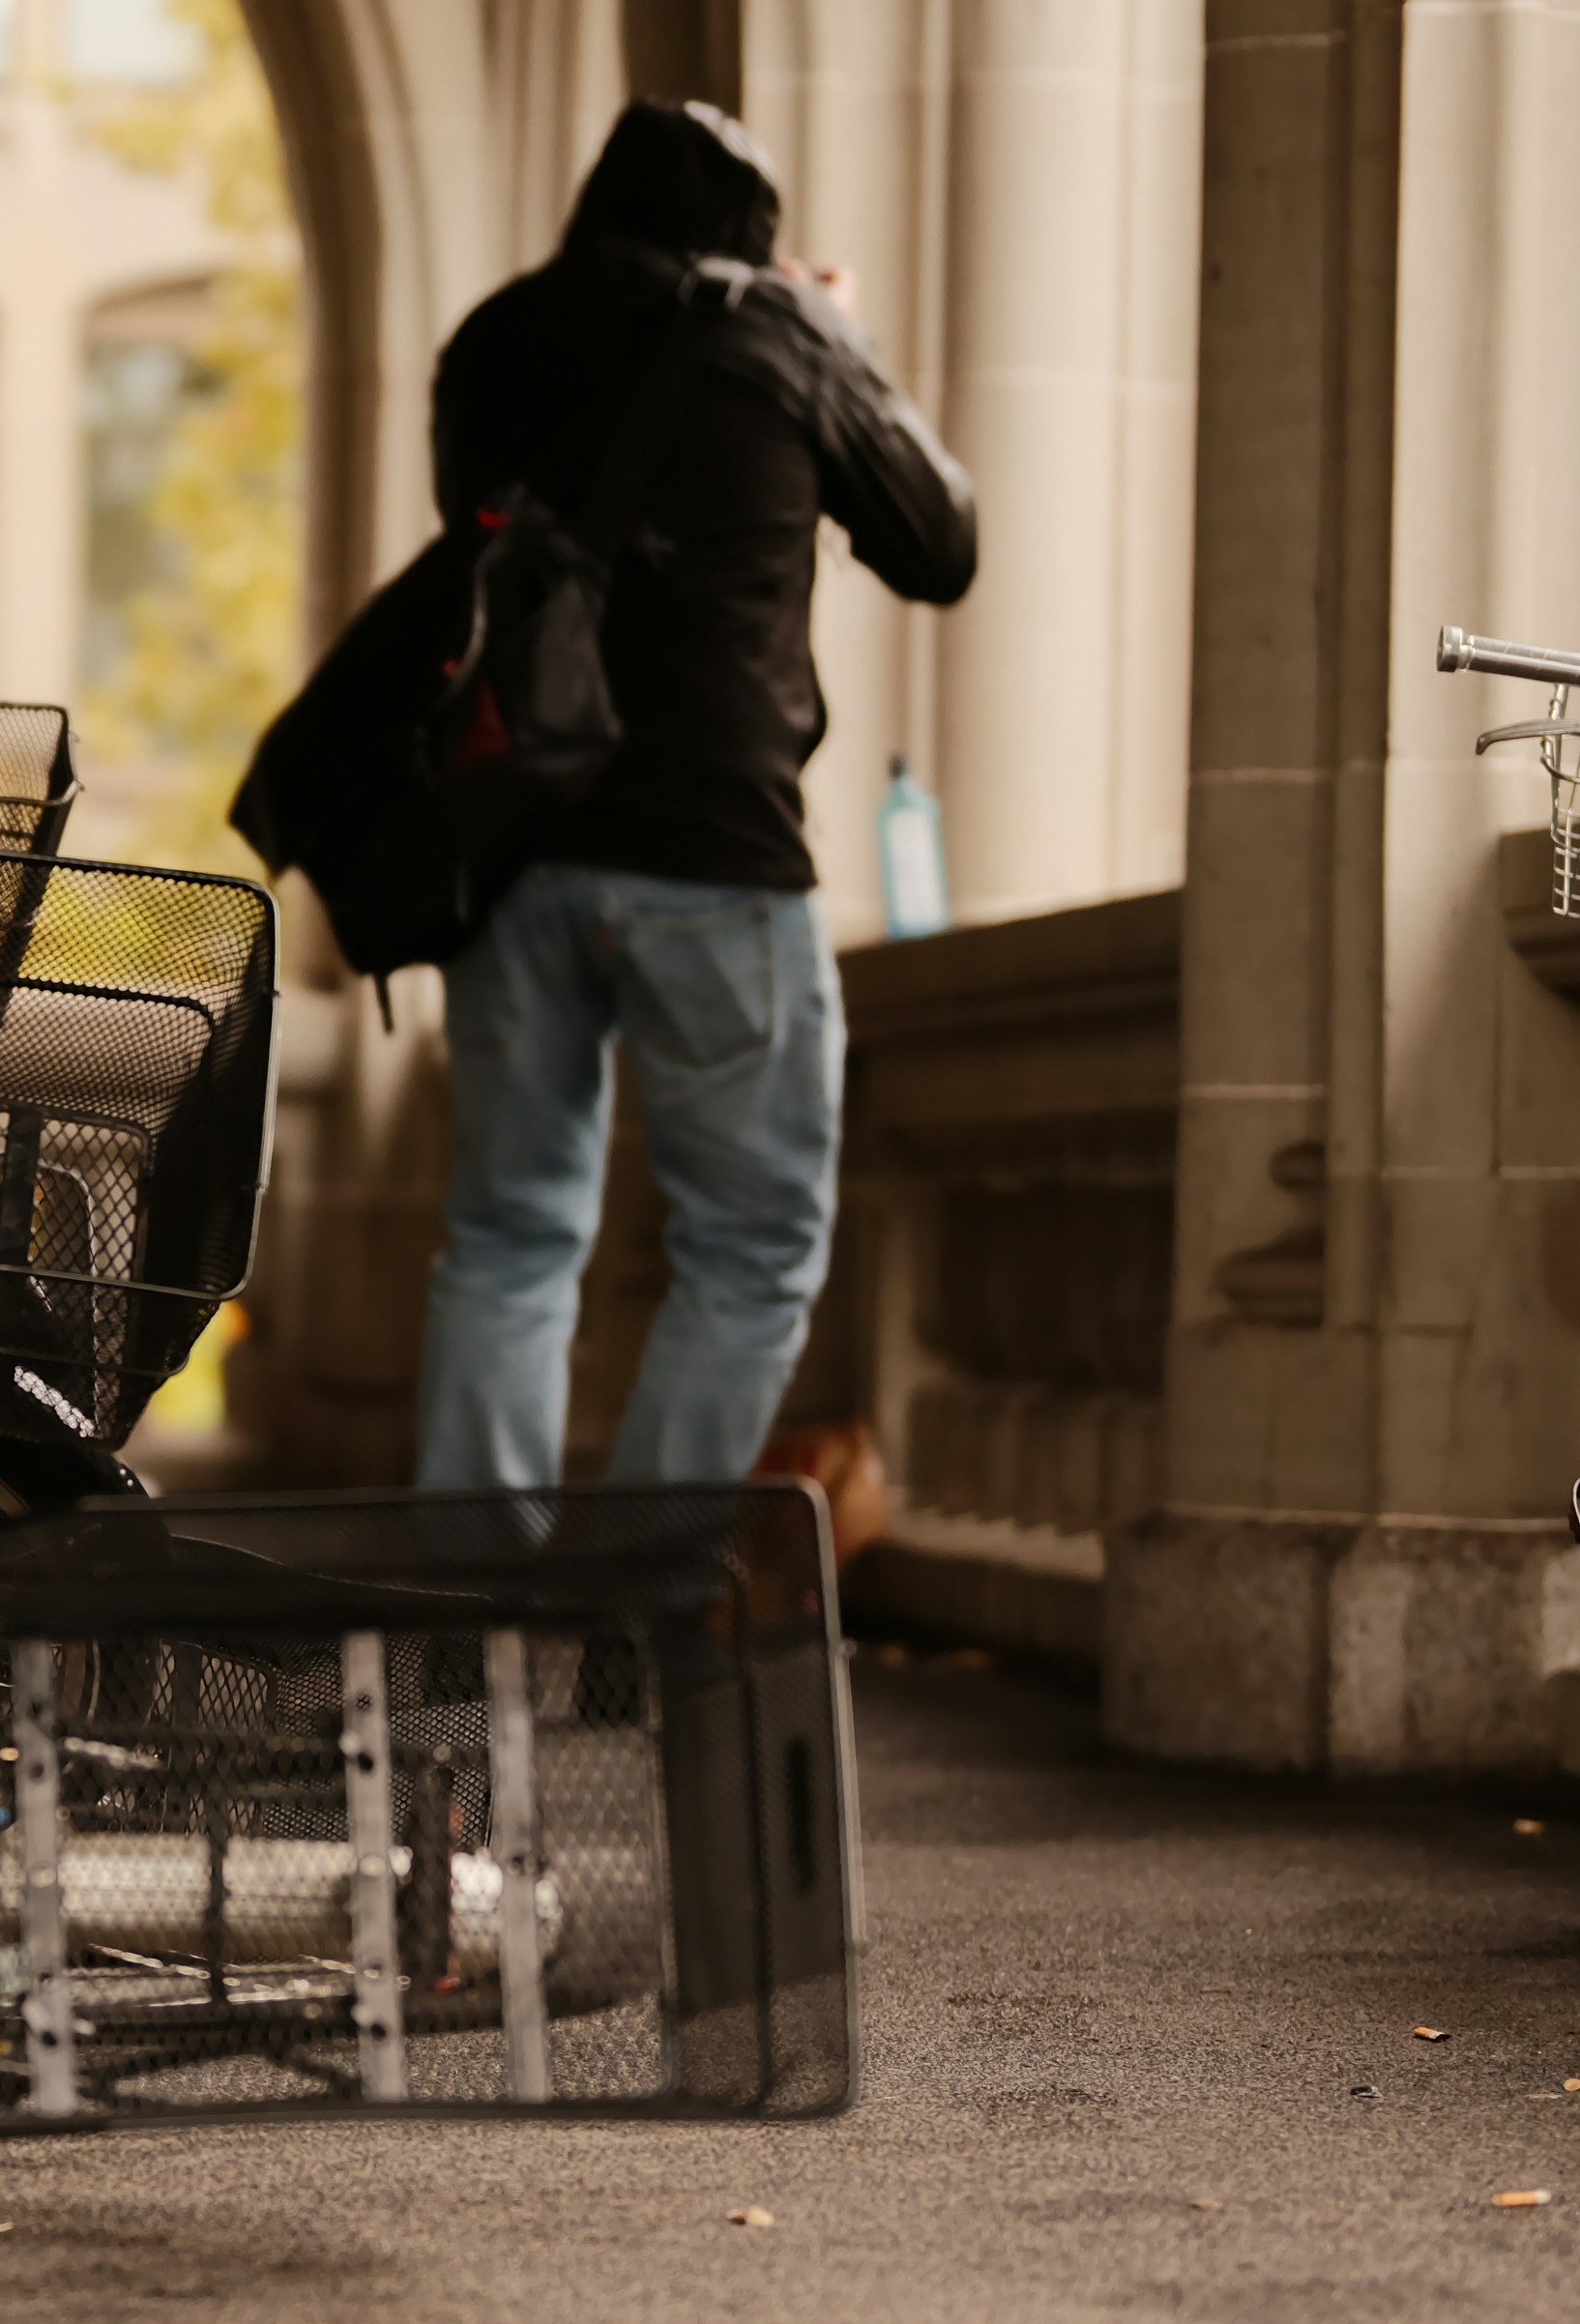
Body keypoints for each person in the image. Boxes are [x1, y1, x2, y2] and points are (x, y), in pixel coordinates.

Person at [391, 102, 972, 1495]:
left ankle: (475, 1624)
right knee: (754, 1243)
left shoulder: (492, 340)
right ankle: (634, 1605)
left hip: (515, 842)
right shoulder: (780, 340)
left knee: (507, 1237)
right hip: (715, 849)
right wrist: (839, 339)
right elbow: (940, 542)